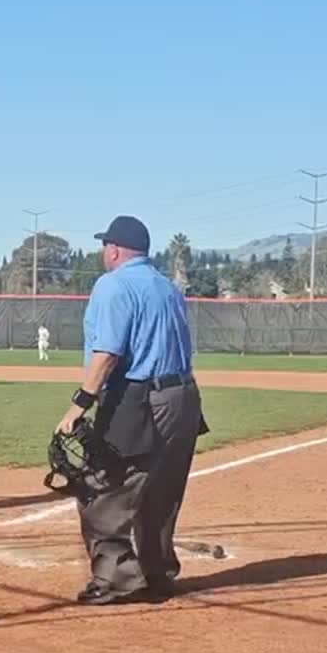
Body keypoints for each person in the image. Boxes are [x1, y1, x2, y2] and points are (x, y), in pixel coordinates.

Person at [55, 215, 207, 605]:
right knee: (161, 492)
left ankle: (116, 578)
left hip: (137, 398)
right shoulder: (167, 287)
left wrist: (80, 403)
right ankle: (158, 574)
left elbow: (108, 352)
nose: (103, 252)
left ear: (115, 249)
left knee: (103, 487)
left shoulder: (113, 285)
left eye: (105, 245)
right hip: (184, 398)